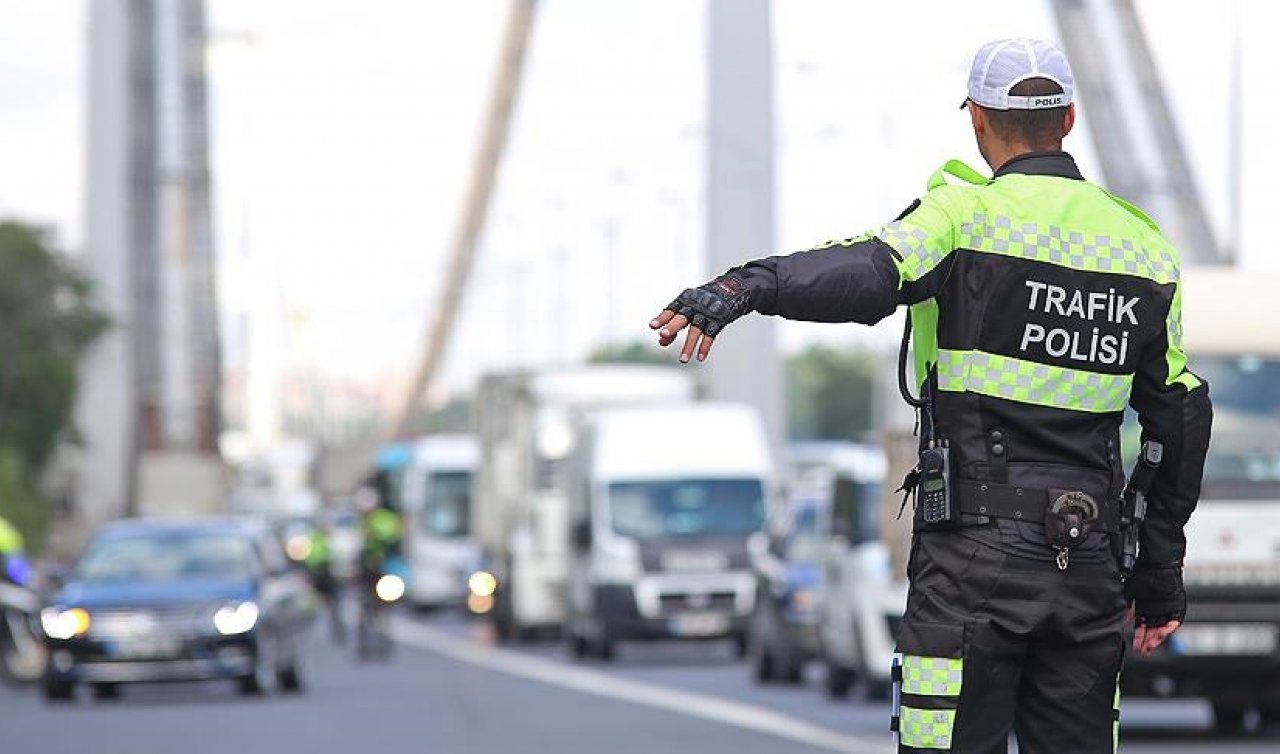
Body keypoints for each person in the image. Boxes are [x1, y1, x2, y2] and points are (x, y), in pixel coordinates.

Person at [650, 38, 1211, 753]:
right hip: (1090, 565)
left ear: (977, 119)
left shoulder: (963, 217)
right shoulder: (1145, 250)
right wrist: (1158, 575)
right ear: (1068, 119)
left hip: (972, 563)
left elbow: (865, 272)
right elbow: (1182, 419)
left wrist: (744, 287)